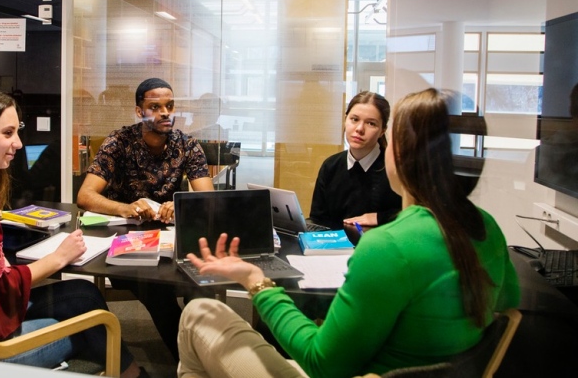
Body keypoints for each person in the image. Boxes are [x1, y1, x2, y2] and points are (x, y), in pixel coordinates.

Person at [177, 87, 520, 378]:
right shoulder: (486, 226)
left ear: (399, 152)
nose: (362, 130)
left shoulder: (387, 246)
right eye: (355, 120)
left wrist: (255, 279)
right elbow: (506, 309)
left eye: (380, 128)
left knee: (198, 315)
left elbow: (322, 364)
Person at [0, 89, 145, 377]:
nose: (18, 143)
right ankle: (134, 375)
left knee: (84, 292)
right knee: (95, 321)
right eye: (7, 133)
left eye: (16, 131)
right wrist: (59, 258)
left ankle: (130, 373)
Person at [77, 77, 215, 360]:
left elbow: (207, 198)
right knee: (156, 289)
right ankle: (191, 360)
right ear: (140, 111)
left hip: (171, 240)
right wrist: (125, 208)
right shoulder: (119, 142)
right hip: (128, 242)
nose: (165, 113)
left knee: (201, 282)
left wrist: (180, 205)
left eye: (170, 105)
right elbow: (86, 195)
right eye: (155, 107)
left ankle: (207, 351)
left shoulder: (187, 145)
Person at [309, 90, 401, 229]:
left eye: (371, 123)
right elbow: (318, 219)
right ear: (345, 120)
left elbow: (415, 214)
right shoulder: (331, 165)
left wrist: (380, 217)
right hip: (333, 248)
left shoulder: (394, 168)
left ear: (382, 130)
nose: (359, 129)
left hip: (379, 247)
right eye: (354, 119)